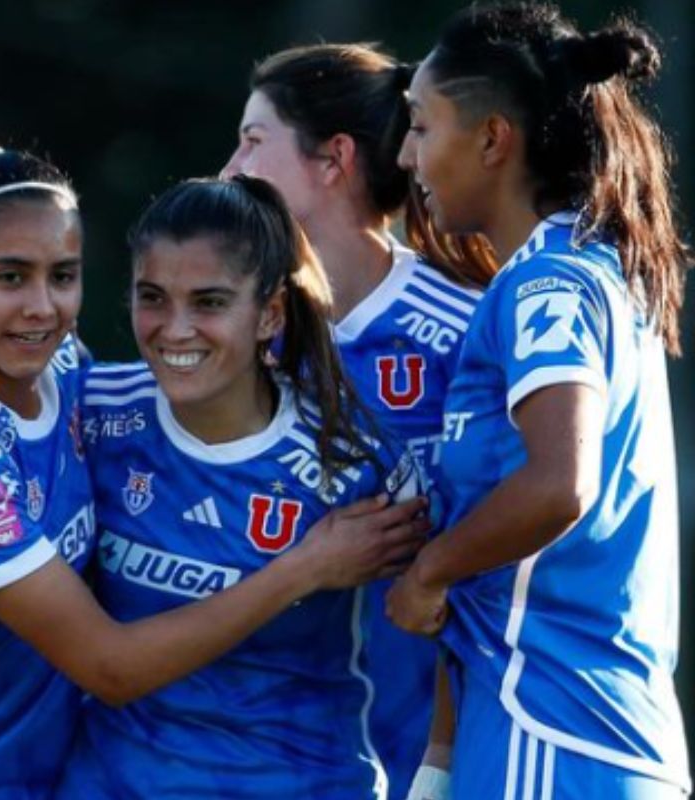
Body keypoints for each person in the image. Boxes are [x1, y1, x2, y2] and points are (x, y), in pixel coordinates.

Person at [0, 143, 426, 799]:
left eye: (62, 276)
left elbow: (443, 603)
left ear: (269, 313)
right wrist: (302, 568)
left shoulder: (69, 381)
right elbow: (109, 667)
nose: (41, 307)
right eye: (10, 278)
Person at [387, 3, 690, 798]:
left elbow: (560, 483)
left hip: (552, 739)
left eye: (422, 126)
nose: (407, 154)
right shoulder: (590, 270)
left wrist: (428, 572)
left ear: (492, 139)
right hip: (581, 742)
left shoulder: (546, 284)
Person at [54, 175, 440, 798]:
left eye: (209, 303)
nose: (174, 329)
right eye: (153, 297)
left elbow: (457, 613)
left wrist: (439, 770)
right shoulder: (92, 413)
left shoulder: (353, 464)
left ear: (269, 315)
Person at [220, 42, 495, 799]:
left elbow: (502, 550)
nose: (228, 172)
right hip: (273, 760)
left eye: (252, 142)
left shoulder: (464, 329)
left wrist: (441, 762)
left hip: (427, 756)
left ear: (333, 158)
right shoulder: (242, 336)